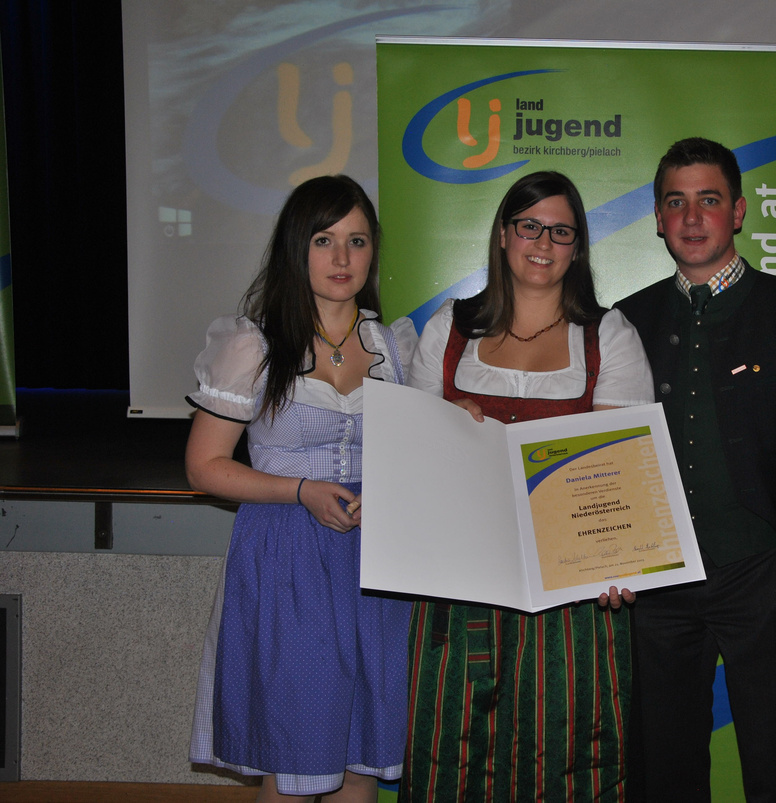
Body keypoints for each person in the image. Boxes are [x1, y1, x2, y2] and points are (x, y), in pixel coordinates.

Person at [401, 170, 654, 802]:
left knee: (565, 752)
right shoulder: (449, 329)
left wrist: (622, 559)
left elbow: (620, 478)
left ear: (577, 246)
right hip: (461, 584)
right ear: (503, 234)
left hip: (569, 592)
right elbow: (413, 463)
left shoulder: (608, 337)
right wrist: (445, 428)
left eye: (560, 231)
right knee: (454, 752)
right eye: (529, 226)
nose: (543, 242)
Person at [613, 138, 776, 802]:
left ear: (738, 211)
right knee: (662, 776)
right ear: (658, 218)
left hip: (762, 577)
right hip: (658, 589)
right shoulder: (626, 321)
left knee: (775, 772)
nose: (692, 217)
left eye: (708, 200)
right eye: (675, 202)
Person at [186, 175, 416, 802]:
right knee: (292, 763)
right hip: (288, 556)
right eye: (323, 240)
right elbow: (204, 466)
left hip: (377, 560)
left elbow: (420, 453)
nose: (342, 257)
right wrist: (301, 490)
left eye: (357, 241)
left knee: (360, 762)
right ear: (297, 247)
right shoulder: (254, 344)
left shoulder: (395, 346)